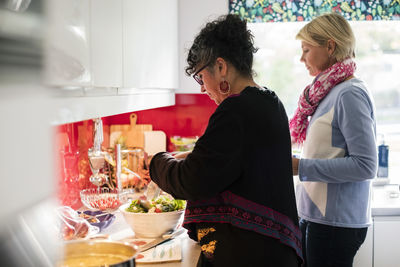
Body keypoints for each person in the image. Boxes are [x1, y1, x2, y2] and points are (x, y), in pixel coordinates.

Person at [144, 14, 303, 267]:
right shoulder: (270, 102)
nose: (201, 88)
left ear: (221, 67)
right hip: (273, 251)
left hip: (251, 256)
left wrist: (156, 161)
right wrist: (190, 157)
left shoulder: (236, 110)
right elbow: (237, 163)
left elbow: (192, 180)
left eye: (200, 77)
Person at [290, 13, 378, 267]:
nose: (301, 58)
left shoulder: (350, 93)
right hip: (317, 218)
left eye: (306, 50)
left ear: (330, 46)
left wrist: (300, 167)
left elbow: (365, 165)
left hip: (336, 225)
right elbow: (326, 152)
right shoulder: (326, 93)